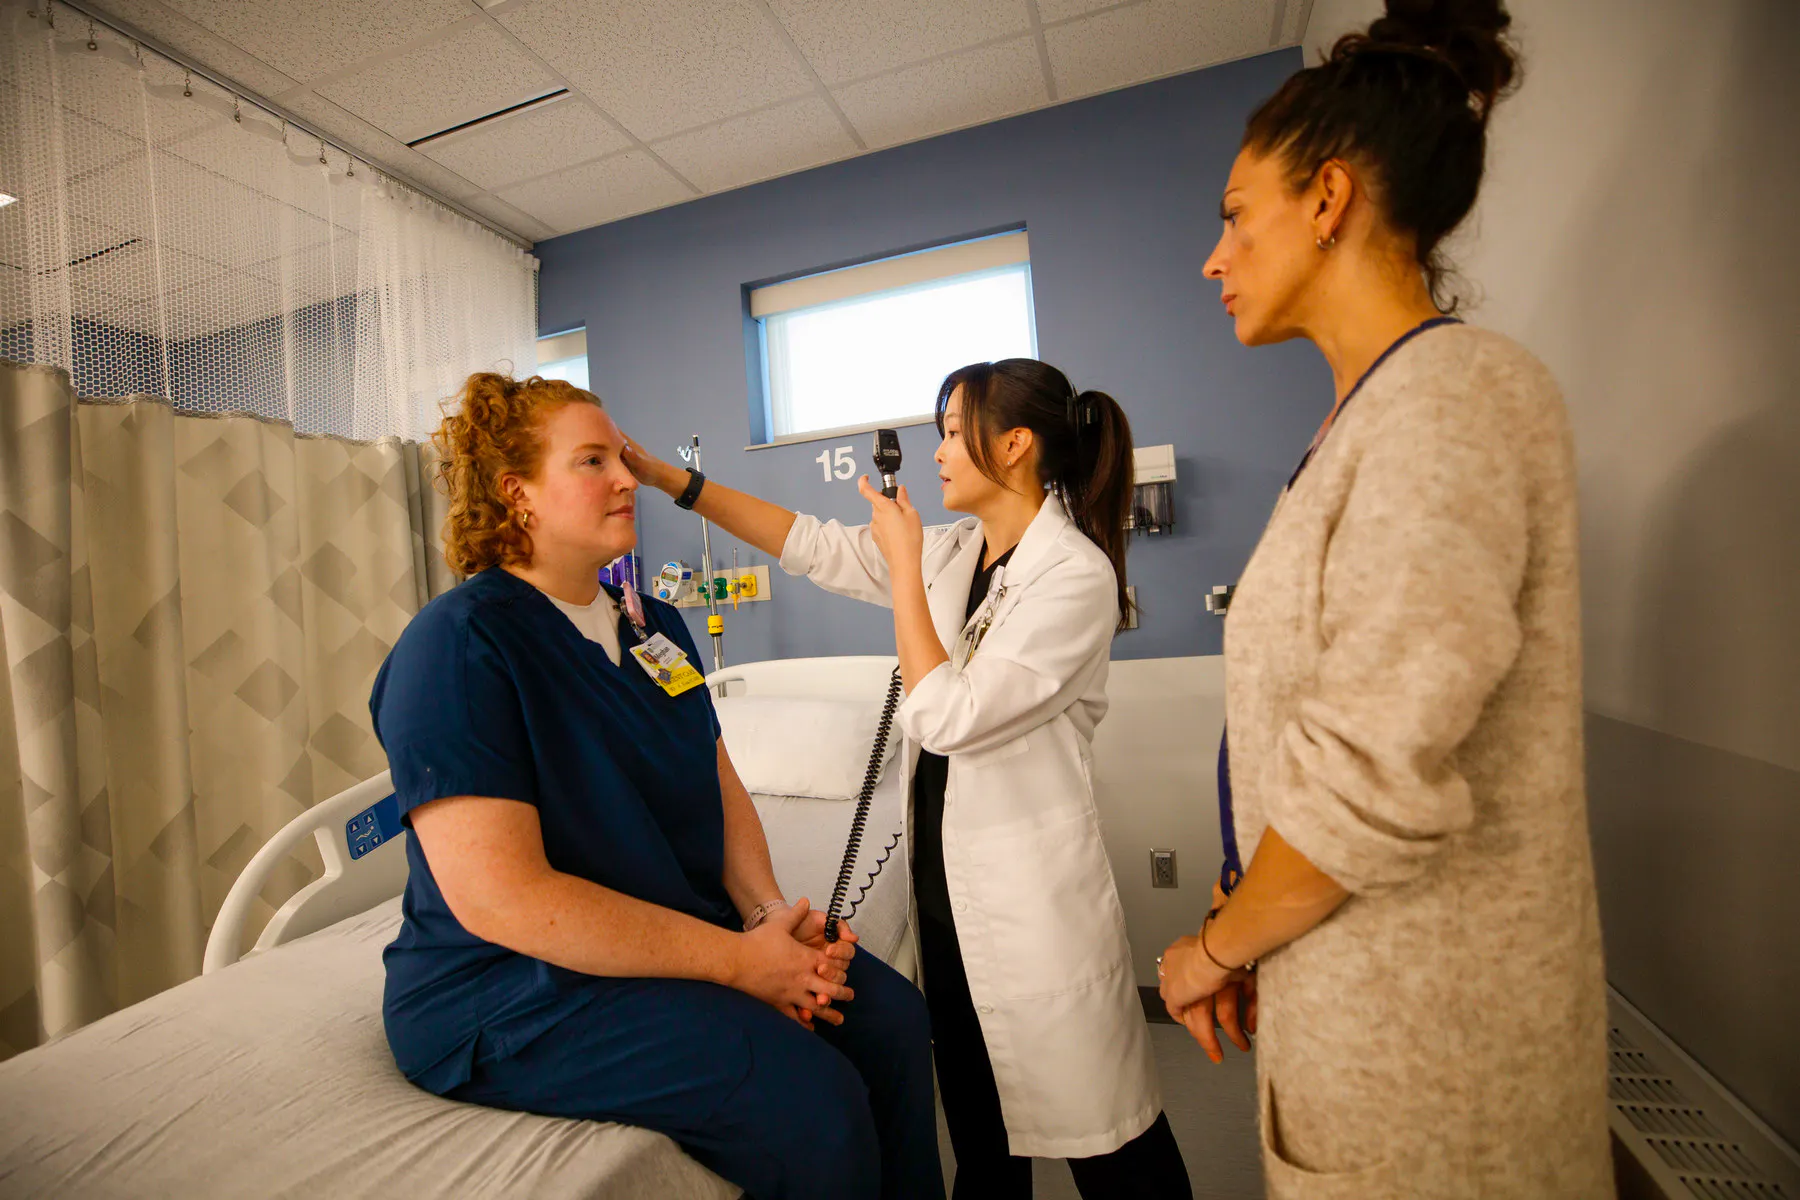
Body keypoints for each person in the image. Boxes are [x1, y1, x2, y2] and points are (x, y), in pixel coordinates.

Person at [1156, 2, 1613, 1197]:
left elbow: (1370, 778)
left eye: (1235, 216)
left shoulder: (1450, 400)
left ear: (1329, 199)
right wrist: (1257, 912)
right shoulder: (1362, 427)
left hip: (1432, 1065)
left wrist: (1215, 945)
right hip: (1350, 1002)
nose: (1213, 256)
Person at [370, 372, 944, 1200]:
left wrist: (767, 918)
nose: (627, 478)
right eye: (592, 461)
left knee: (888, 1020)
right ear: (516, 494)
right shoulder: (458, 646)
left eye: (622, 458)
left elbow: (719, 782)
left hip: (664, 935)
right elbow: (504, 901)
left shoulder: (654, 624)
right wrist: (741, 967)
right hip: (511, 986)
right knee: (811, 1103)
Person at [627, 359, 1192, 1199]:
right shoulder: (956, 551)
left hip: (1030, 909)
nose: (938, 452)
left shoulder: (1073, 577)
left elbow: (945, 716)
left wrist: (899, 566)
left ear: (1017, 442)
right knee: (983, 1149)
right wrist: (674, 482)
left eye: (954, 432)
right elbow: (807, 542)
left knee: (1115, 1152)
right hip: (945, 903)